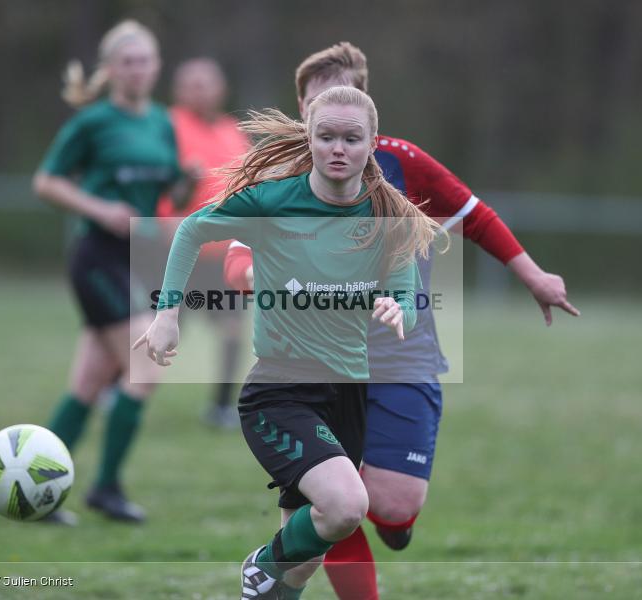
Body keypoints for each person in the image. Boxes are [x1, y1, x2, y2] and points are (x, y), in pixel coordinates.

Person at [223, 42, 579, 599]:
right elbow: (239, 251)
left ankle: (368, 513)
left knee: (394, 505)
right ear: (303, 108)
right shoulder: (286, 177)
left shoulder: (399, 163)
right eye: (319, 109)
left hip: (401, 352)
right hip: (320, 361)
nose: (334, 127)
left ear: (367, 105)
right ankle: (307, 556)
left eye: (348, 115)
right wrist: (253, 275)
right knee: (338, 499)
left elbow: (474, 216)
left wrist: (532, 274)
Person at [135, 86, 440, 599]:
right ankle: (262, 562)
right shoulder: (274, 199)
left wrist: (398, 307)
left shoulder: (390, 214)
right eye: (326, 137)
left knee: (302, 565)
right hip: (280, 390)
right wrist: (167, 315)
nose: (338, 148)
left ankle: (270, 578)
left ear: (371, 144)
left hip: (349, 391)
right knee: (346, 506)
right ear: (311, 139)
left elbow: (405, 295)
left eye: (351, 138)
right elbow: (191, 230)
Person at [32, 20, 193, 524]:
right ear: (110, 70)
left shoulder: (164, 122)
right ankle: (104, 487)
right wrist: (99, 209)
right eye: (128, 61)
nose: (138, 70)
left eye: (146, 60)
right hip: (96, 256)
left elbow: (170, 195)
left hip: (137, 258)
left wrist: (185, 185)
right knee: (147, 362)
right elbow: (45, 181)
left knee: (89, 381)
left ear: (157, 66)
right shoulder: (93, 122)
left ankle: (34, 488)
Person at [156, 57, 251, 429]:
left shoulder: (231, 130)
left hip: (222, 252)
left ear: (221, 88)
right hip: (178, 249)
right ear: (179, 90)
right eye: (193, 84)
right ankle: (116, 386)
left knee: (232, 329)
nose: (202, 91)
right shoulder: (167, 126)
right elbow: (159, 184)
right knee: (150, 324)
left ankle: (222, 407)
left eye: (208, 83)